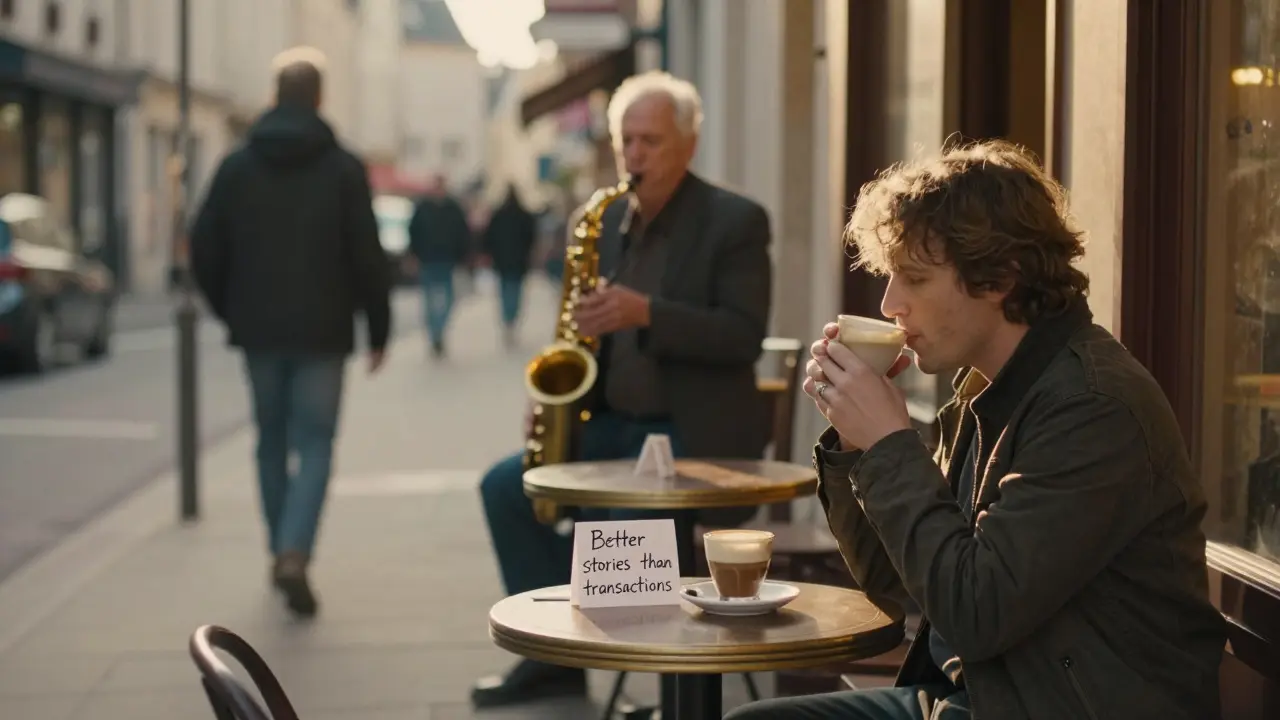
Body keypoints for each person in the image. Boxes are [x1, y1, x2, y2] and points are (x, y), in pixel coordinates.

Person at [725, 140, 1226, 720]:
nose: (890, 304)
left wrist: (889, 444)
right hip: (979, 697)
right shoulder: (983, 387)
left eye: (912, 278)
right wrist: (854, 442)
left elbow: (976, 613)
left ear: (998, 278)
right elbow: (897, 581)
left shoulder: (1093, 407)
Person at [472, 70, 774, 709]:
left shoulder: (735, 221)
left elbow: (743, 335)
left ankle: (665, 682)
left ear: (689, 144)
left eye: (651, 141)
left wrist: (648, 314)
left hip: (693, 432)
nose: (634, 156)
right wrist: (555, 392)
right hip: (612, 423)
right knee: (506, 487)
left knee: (624, 517)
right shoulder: (601, 220)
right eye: (625, 142)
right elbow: (583, 334)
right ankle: (552, 657)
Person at [190, 46, 392, 619]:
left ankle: (279, 545)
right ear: (320, 97)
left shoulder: (237, 165)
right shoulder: (343, 168)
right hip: (324, 332)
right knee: (317, 442)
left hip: (258, 329)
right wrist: (378, 327)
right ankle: (295, 550)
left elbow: (204, 245)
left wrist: (229, 308)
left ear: (274, 95)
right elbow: (367, 255)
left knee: (269, 442)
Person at [406, 174, 472, 358]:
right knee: (429, 299)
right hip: (427, 259)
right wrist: (413, 254)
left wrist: (463, 256)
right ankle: (435, 333)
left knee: (449, 298)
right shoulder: (423, 208)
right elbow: (413, 231)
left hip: (447, 260)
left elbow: (463, 233)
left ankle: (439, 330)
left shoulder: (453, 208)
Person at [480, 184, 538, 347]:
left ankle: (508, 318)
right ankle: (511, 318)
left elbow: (488, 237)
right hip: (518, 261)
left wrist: (489, 253)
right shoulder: (524, 215)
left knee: (505, 291)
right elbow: (531, 238)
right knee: (516, 292)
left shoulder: (498, 215)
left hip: (503, 261)